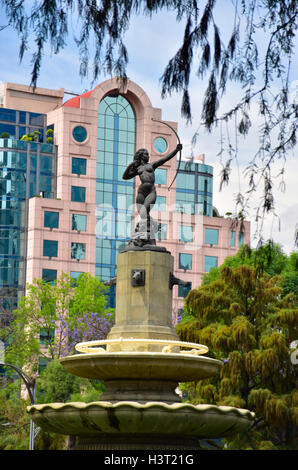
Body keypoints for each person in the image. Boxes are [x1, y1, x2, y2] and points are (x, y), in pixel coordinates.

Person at [123, 144, 182, 220]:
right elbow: (125, 177)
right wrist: (130, 166)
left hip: (151, 191)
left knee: (144, 211)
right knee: (142, 214)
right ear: (141, 156)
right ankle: (148, 226)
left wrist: (176, 150)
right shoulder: (137, 168)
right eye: (146, 154)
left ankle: (150, 226)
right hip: (141, 192)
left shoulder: (152, 165)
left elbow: (165, 159)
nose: (148, 156)